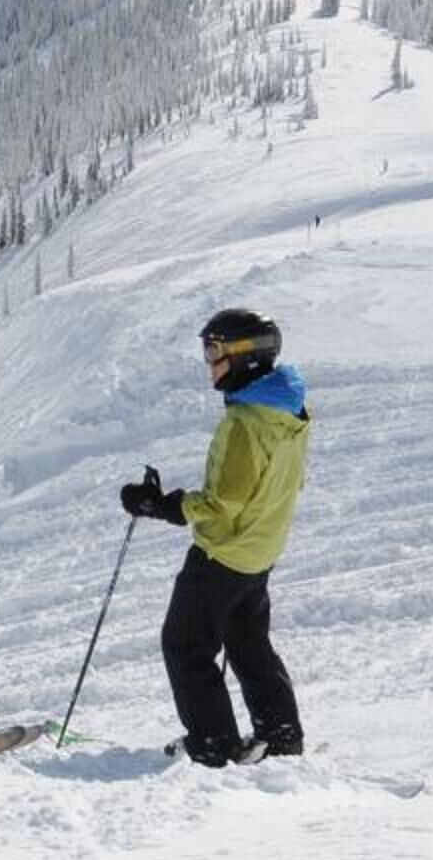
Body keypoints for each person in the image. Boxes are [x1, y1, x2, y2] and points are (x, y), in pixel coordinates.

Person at [121, 307, 311, 766]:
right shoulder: (287, 413)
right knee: (248, 644)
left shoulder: (245, 422)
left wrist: (161, 505)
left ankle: (212, 743)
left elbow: (223, 501)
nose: (209, 362)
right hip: (259, 550)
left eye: (215, 350)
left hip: (223, 554)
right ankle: (280, 735)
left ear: (245, 355)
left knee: (185, 644)